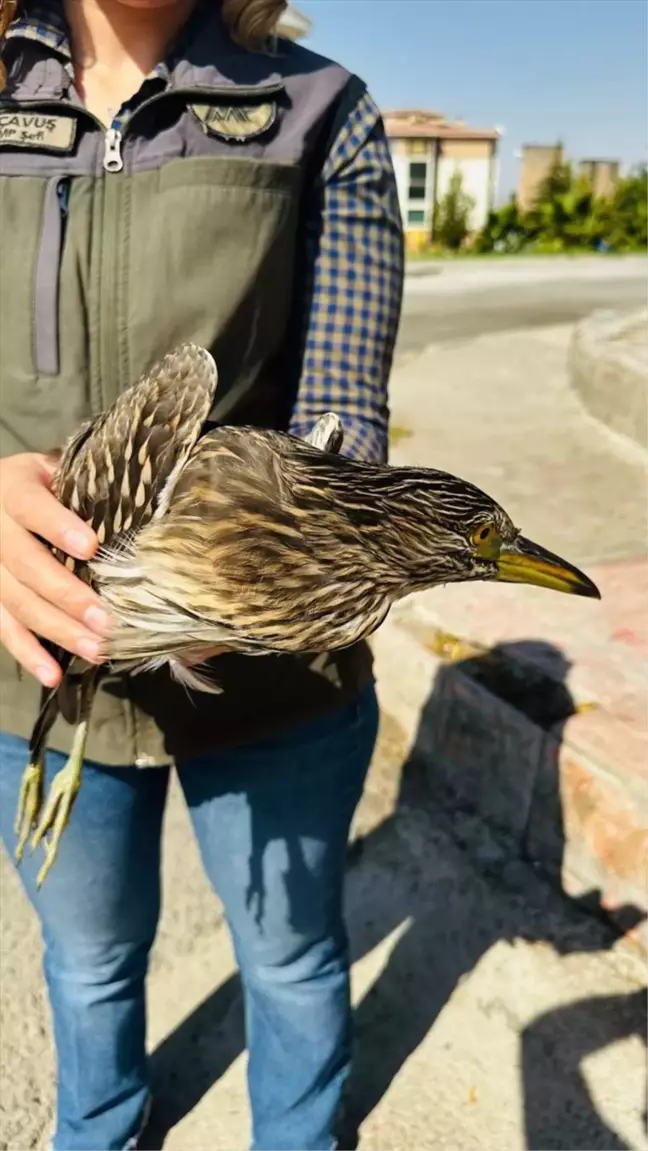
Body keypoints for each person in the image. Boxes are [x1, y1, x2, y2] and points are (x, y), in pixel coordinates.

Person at [0, 1, 404, 1148]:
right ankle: (102, 1131)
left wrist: (271, 579)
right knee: (85, 959)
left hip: (272, 679)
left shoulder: (325, 110)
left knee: (288, 954)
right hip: (34, 669)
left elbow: (343, 426)